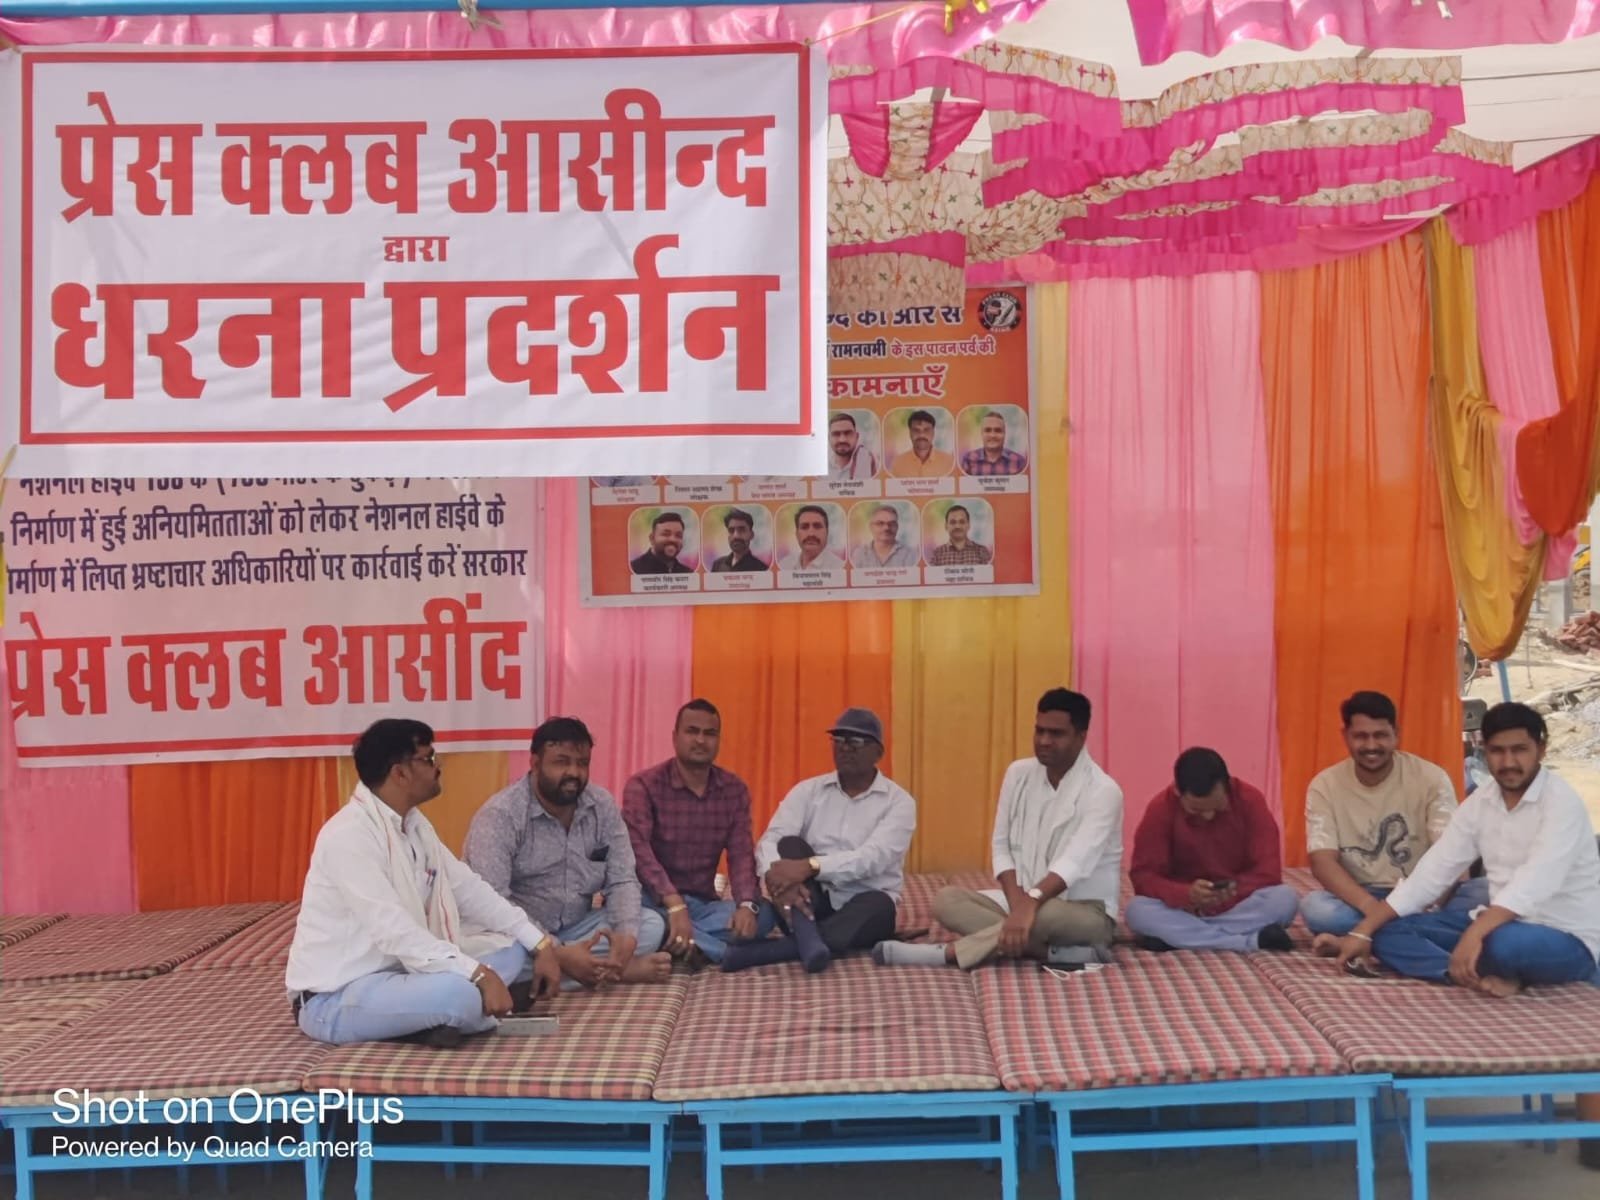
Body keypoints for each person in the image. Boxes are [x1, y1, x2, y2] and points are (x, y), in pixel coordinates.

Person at [286, 719, 562, 1047]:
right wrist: (478, 974)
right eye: (429, 758)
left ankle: (442, 1017)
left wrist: (540, 943)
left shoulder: (415, 826)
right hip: (339, 995)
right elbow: (395, 932)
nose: (438, 765)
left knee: (514, 950)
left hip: (404, 975)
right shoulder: (348, 836)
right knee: (459, 994)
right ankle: (460, 1011)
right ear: (400, 773)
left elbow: (470, 890)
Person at [1337, 703, 1600, 997]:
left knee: (1503, 945)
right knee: (1388, 930)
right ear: (1484, 750)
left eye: (1519, 750)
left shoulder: (1561, 802)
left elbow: (1535, 884)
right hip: (1495, 923)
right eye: (1498, 751)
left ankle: (1491, 965)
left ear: (1541, 749)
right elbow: (1433, 872)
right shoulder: (1482, 801)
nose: (1508, 762)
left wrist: (1477, 932)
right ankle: (1459, 973)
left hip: (1564, 936)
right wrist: (1362, 931)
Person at [875, 689, 1121, 970]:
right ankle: (1050, 952)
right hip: (1026, 900)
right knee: (946, 901)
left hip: (1086, 912)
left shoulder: (1104, 791)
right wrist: (1019, 906)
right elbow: (1001, 846)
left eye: (1056, 734)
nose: (1044, 741)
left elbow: (1074, 863)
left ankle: (947, 954)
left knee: (1045, 914)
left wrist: (1030, 904)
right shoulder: (1019, 774)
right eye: (1039, 731)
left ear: (1081, 736)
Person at [465, 717, 671, 988]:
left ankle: (571, 970)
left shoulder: (601, 806)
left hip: (576, 927)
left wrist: (625, 938)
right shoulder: (500, 816)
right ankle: (605, 972)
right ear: (535, 763)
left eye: (582, 763)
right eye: (561, 762)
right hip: (517, 933)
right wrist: (552, 950)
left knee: (650, 924)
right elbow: (493, 904)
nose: (573, 772)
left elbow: (622, 879)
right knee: (492, 956)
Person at [722, 708, 916, 973]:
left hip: (863, 905)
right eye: (838, 740)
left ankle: (780, 947)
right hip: (808, 899)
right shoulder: (808, 791)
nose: (845, 748)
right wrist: (776, 877)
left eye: (855, 741)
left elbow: (872, 859)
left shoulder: (899, 802)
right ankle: (811, 938)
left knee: (880, 905)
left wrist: (811, 866)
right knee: (788, 844)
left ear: (878, 753)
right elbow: (771, 840)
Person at [1300, 691, 1474, 949]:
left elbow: (1450, 854)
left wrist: (1427, 903)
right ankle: (1419, 932)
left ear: (1396, 734)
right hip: (1362, 897)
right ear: (1345, 736)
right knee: (1317, 909)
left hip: (1424, 894)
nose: (1371, 746)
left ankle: (1357, 939)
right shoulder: (1324, 785)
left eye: (1380, 735)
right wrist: (1375, 911)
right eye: (1361, 736)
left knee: (1482, 893)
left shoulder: (1431, 778)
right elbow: (1322, 862)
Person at [622, 699, 774, 965]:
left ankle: (683, 942)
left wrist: (746, 905)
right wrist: (674, 904)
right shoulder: (643, 786)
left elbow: (741, 856)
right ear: (675, 737)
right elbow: (638, 853)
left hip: (702, 906)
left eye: (709, 733)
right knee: (643, 921)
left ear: (719, 740)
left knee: (765, 915)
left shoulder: (733, 789)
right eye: (692, 731)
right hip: (655, 901)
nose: (701, 740)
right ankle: (725, 953)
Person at [1124, 748, 1298, 953]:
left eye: (1217, 808)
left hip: (1237, 905)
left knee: (1284, 899)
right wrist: (1185, 894)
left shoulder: (1250, 801)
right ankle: (1249, 942)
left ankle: (1180, 937)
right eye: (1196, 810)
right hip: (1184, 909)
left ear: (1228, 786)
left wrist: (1227, 895)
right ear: (1177, 792)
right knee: (1138, 911)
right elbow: (1144, 877)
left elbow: (1268, 871)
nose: (1208, 816)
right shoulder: (1161, 809)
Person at [849, 504, 919, 569]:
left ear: (897, 527)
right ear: (871, 527)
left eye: (892, 523)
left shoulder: (910, 554)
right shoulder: (859, 554)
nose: (886, 528)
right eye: (880, 523)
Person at [777, 504, 844, 571]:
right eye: (804, 527)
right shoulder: (783, 566)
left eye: (817, 526)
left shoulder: (839, 568)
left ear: (827, 532)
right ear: (797, 534)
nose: (811, 533)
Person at [959, 411, 1027, 476]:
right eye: (988, 430)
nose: (992, 435)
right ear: (981, 433)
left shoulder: (1019, 462)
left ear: (1005, 433)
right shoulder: (968, 460)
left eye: (998, 430)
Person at [890, 410, 953, 478]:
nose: (921, 434)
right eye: (916, 430)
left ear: (933, 432)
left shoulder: (949, 462)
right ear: (910, 433)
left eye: (926, 430)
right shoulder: (898, 463)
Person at [927, 504, 993, 566]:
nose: (957, 526)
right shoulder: (937, 554)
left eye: (962, 522)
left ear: (968, 525)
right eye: (953, 522)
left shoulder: (982, 552)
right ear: (946, 526)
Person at [709, 509, 768, 573]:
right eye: (731, 530)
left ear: (751, 535)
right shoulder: (717, 565)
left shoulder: (762, 569)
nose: (736, 536)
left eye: (742, 530)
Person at [827, 412, 879, 480]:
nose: (842, 439)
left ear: (856, 437)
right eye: (836, 434)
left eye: (848, 433)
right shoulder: (820, 467)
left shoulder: (871, 462)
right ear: (828, 438)